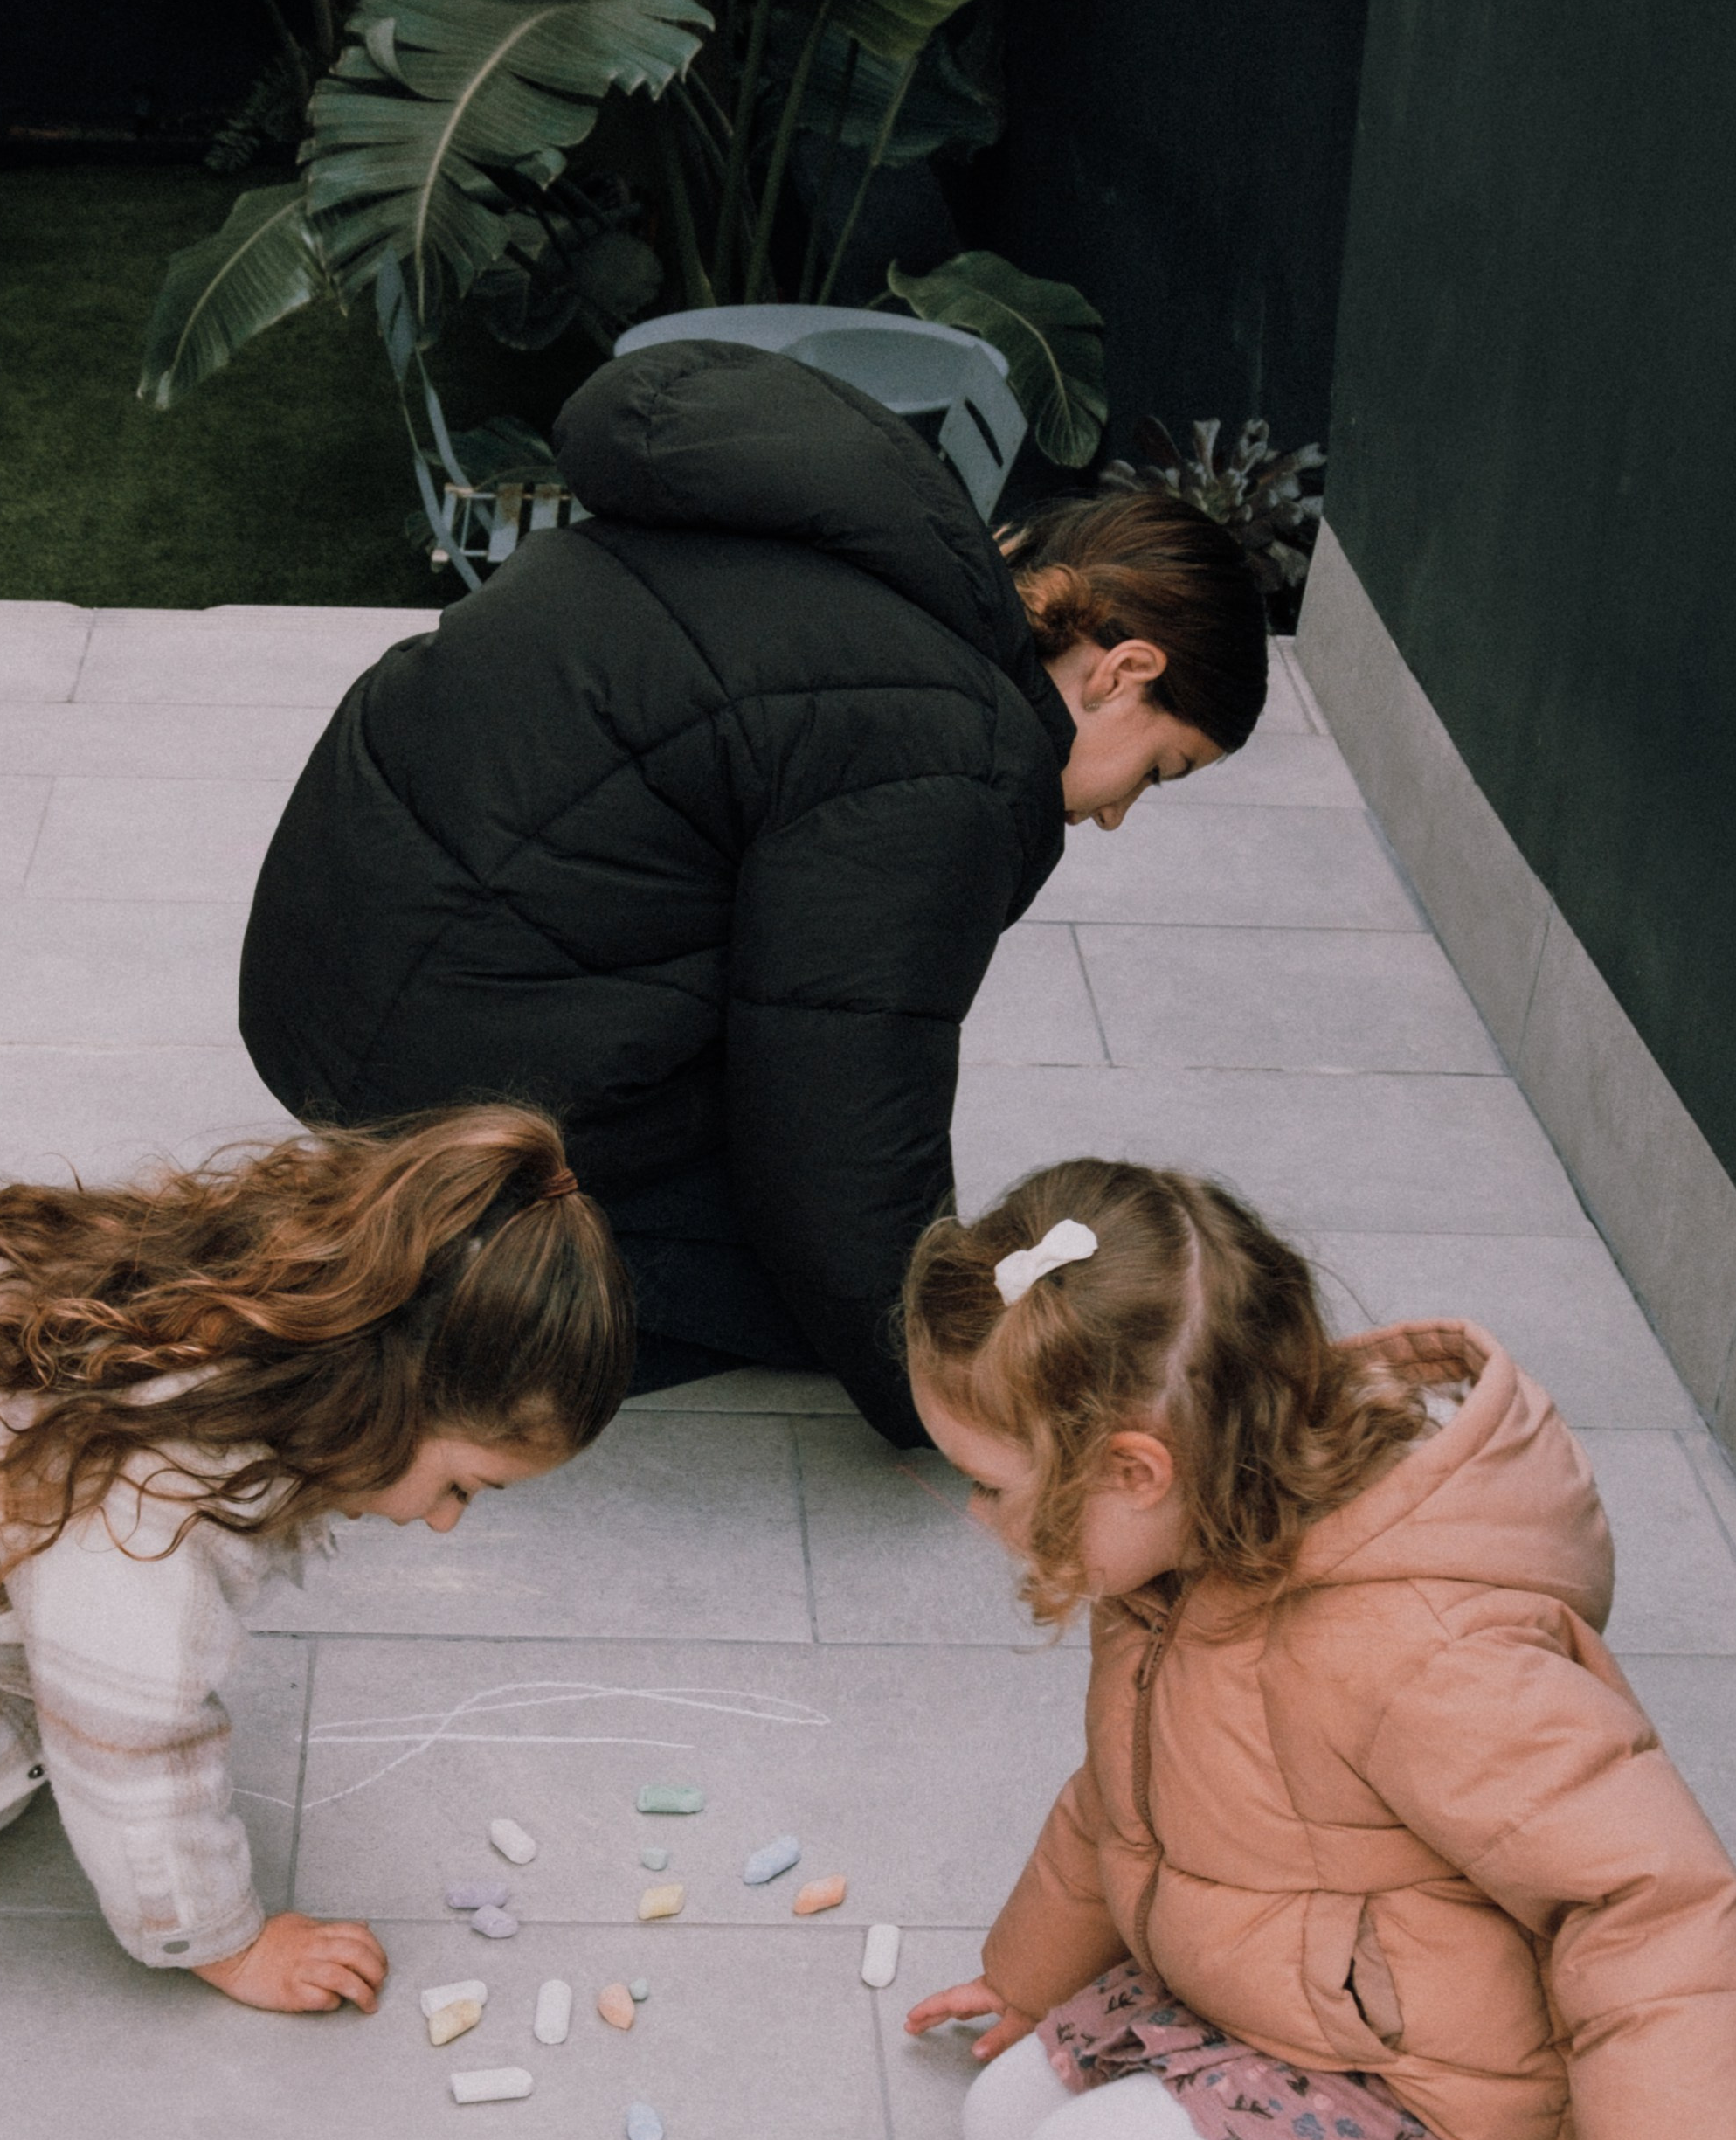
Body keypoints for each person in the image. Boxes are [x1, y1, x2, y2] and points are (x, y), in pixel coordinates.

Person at [239, 342, 1268, 1446]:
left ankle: (430, 1224)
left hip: (326, 962)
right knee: (793, 1284)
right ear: (1124, 672)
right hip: (420, 1059)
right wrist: (938, 1389)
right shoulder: (950, 758)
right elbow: (839, 1108)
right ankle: (431, 1299)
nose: (1116, 813)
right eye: (1157, 771)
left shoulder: (883, 563)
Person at [903, 1156, 1736, 2140]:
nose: (976, 1514)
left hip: (1434, 2072)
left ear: (1134, 1470)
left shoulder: (1421, 1651)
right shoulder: (1170, 1561)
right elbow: (1116, 1805)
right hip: (1274, 1981)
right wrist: (1023, 1971)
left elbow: (1640, 1883)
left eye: (990, 1483)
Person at [0, 1109, 629, 2014]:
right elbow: (127, 1728)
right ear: (387, 1400)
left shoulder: (251, 1301)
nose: (442, 1524)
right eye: (461, 1486)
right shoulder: (159, 1483)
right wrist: (225, 1939)